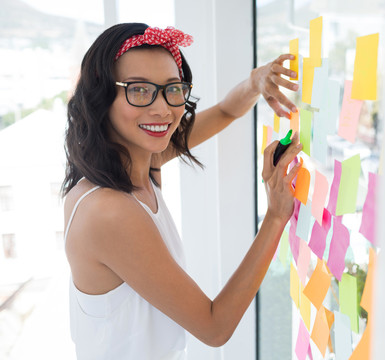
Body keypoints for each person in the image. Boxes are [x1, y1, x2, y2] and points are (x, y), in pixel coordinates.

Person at [62, 23, 302, 359]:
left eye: (172, 89)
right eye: (139, 90)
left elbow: (224, 111)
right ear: (102, 96)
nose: (163, 109)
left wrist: (254, 83)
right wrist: (276, 216)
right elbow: (214, 327)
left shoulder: (140, 162)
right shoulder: (109, 210)